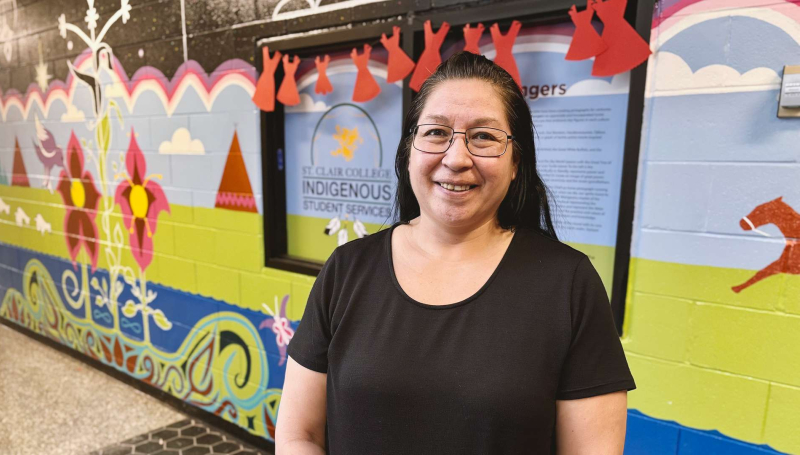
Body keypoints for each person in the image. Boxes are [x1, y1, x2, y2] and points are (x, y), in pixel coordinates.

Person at [276, 51, 635, 454]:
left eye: (484, 136)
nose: (456, 158)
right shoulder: (346, 270)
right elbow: (299, 435)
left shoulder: (569, 285)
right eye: (436, 132)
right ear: (409, 151)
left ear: (516, 162)